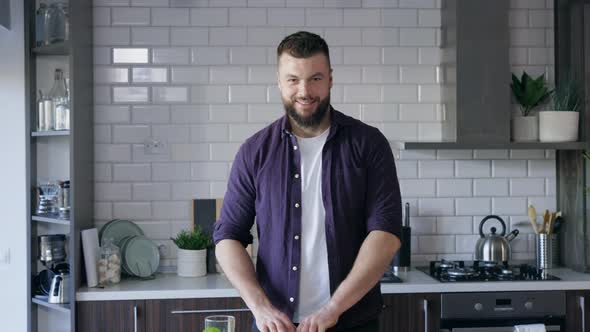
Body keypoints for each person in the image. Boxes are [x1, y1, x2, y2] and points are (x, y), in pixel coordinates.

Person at [213, 31, 402, 332]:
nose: (304, 90)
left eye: (315, 78)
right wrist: (260, 308)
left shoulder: (369, 145)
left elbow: (386, 233)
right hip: (275, 325)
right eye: (293, 79)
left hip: (352, 322)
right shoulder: (254, 152)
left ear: (330, 79)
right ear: (279, 81)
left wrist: (333, 309)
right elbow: (227, 238)